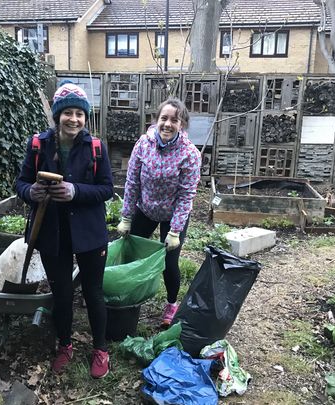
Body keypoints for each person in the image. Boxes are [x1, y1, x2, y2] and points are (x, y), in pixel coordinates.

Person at [16, 80, 113, 378]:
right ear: (57, 115)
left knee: (94, 292)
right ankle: (65, 344)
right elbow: (21, 182)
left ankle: (100, 349)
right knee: (60, 293)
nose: (73, 119)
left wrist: (76, 192)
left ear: (86, 117)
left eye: (79, 113)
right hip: (51, 232)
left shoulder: (95, 148)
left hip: (89, 232)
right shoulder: (38, 145)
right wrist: (29, 192)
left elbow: (107, 188)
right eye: (67, 112)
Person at [117, 97, 201, 327]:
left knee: (170, 262)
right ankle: (130, 294)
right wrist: (126, 217)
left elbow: (186, 195)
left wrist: (175, 231)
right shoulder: (143, 144)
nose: (168, 124)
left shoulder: (190, 154)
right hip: (144, 209)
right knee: (132, 252)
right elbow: (132, 182)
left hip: (173, 214)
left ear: (181, 124)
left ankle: (172, 304)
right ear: (156, 120)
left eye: (174, 120)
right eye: (164, 118)